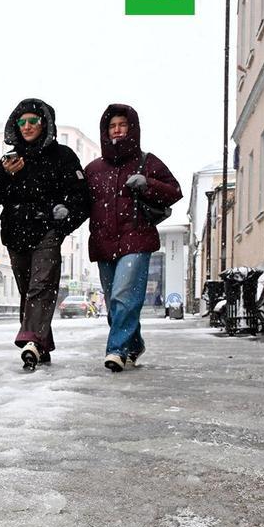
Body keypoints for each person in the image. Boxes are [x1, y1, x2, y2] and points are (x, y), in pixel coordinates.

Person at [0, 98, 90, 370]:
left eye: (33, 120)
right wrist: (5, 175)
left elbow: (82, 198)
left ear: (44, 123)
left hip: (47, 231)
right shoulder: (11, 158)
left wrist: (63, 223)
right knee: (28, 291)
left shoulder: (63, 156)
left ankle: (31, 340)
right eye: (22, 122)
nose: (27, 126)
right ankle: (41, 346)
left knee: (41, 286)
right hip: (15, 234)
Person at [84, 103, 183, 372]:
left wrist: (147, 183)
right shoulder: (93, 169)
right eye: (112, 126)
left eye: (122, 125)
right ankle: (134, 344)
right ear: (106, 131)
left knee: (123, 295)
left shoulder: (147, 161)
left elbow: (174, 191)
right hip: (103, 243)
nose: (117, 130)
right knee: (114, 303)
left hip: (137, 239)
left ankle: (116, 349)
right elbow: (80, 204)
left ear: (132, 128)